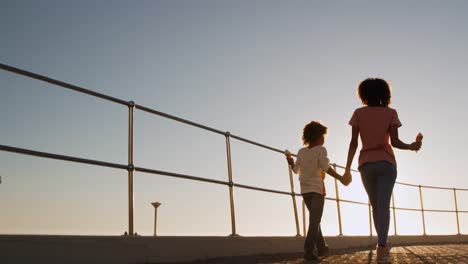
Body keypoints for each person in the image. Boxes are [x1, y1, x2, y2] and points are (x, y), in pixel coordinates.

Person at [343, 78, 422, 263]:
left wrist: (347, 169)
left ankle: (382, 245)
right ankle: (382, 246)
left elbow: (353, 143)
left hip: (366, 165)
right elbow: (394, 142)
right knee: (384, 205)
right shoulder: (391, 113)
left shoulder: (358, 113)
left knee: (375, 206)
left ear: (363, 94)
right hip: (386, 164)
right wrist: (412, 146)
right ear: (385, 94)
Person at [286, 121, 350, 262]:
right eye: (323, 135)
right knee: (315, 220)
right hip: (317, 190)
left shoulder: (301, 152)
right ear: (318, 136)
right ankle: (308, 251)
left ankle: (322, 248)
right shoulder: (321, 149)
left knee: (315, 220)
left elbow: (295, 170)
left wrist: (290, 161)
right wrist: (340, 178)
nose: (324, 138)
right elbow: (326, 167)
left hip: (305, 190)